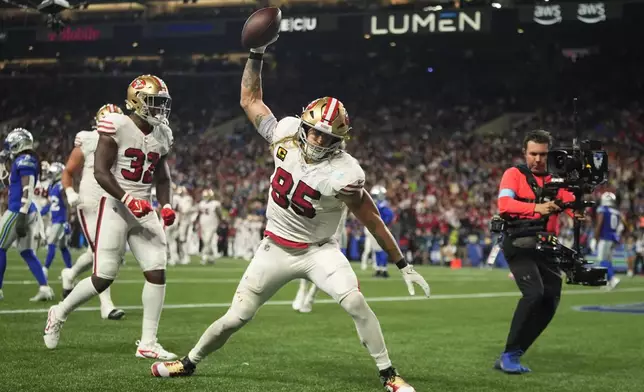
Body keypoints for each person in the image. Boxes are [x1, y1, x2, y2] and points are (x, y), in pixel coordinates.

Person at [149, 35, 429, 392]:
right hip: (275, 249)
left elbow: (370, 216)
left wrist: (401, 262)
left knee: (356, 301)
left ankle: (389, 375)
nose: (317, 142)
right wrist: (256, 54)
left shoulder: (346, 172)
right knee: (235, 318)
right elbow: (250, 99)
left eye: (327, 138)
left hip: (319, 251)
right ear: (303, 126)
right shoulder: (284, 134)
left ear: (340, 140)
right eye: (313, 132)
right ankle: (188, 363)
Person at [43, 75, 177, 360]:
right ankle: (59, 312)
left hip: (143, 207)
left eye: (161, 103)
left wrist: (166, 205)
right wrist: (128, 198)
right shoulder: (116, 125)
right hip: (116, 205)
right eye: (154, 103)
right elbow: (101, 172)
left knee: (156, 271)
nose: (159, 110)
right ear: (137, 101)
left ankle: (148, 343)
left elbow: (163, 178)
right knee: (103, 276)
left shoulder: (163, 133)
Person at [494, 129, 583, 374]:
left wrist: (577, 210)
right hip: (519, 242)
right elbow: (504, 205)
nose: (538, 159)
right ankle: (509, 354)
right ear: (525, 153)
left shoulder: (558, 180)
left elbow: (569, 205)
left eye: (543, 154)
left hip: (547, 245)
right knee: (534, 294)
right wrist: (537, 208)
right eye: (533, 154)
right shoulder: (513, 174)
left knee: (551, 300)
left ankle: (514, 352)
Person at [59, 103, 125, 320]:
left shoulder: (125, 140)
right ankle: (106, 305)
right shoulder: (87, 138)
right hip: (90, 201)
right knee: (101, 252)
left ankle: (69, 274)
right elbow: (68, 171)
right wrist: (69, 192)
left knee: (98, 251)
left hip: (111, 200)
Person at [0, 128, 54, 301]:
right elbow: (8, 183)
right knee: (27, 252)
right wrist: (2, 165)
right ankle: (44, 288)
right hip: (25, 210)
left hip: (18, 210)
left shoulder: (25, 159)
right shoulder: (23, 160)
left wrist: (22, 213)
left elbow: (27, 188)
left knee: (0, 247)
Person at [40, 163, 73, 275]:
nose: (50, 175)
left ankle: (45, 269)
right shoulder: (52, 186)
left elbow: (67, 203)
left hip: (60, 220)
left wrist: (67, 221)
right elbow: (51, 203)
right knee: (63, 247)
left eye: (52, 173)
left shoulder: (61, 186)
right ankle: (70, 270)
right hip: (56, 219)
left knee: (51, 243)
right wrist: (41, 212)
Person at [593, 192, 627, 289]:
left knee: (603, 259)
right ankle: (607, 281)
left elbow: (599, 224)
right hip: (613, 238)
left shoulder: (602, 209)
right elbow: (623, 225)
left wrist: (595, 238)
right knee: (608, 260)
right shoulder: (616, 212)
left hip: (605, 238)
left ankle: (612, 278)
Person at [197, 188, 223, 265]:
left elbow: (219, 214)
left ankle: (204, 257)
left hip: (212, 225)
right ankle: (211, 257)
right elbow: (199, 214)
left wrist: (221, 222)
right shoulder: (201, 203)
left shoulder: (215, 203)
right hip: (203, 224)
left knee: (207, 241)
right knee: (206, 241)